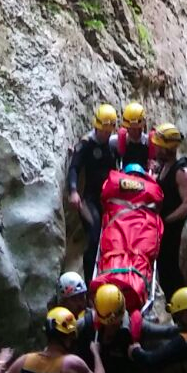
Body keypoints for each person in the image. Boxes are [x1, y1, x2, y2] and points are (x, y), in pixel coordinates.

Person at [68, 104, 119, 280]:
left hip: (110, 199)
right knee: (94, 234)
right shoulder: (87, 144)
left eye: (108, 131)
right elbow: (74, 167)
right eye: (103, 130)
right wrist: (73, 191)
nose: (105, 134)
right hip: (90, 200)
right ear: (96, 126)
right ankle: (90, 283)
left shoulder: (113, 144)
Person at [154, 123, 187, 298]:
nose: (156, 148)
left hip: (175, 233)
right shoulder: (165, 167)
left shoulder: (182, 172)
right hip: (165, 230)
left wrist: (167, 220)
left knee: (173, 274)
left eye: (159, 145)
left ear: (168, 148)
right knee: (164, 271)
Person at [111, 102, 150, 170]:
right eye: (132, 129)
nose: (136, 132)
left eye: (138, 128)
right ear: (127, 127)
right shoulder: (114, 142)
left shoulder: (149, 143)